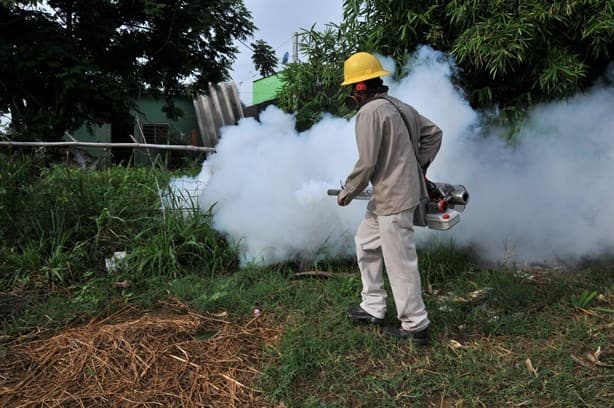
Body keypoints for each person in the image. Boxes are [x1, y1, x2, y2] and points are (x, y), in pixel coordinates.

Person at [336, 51, 442, 345]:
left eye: (351, 89)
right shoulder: (402, 106)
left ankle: (415, 326)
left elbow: (367, 162)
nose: (351, 95)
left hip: (395, 198)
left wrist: (348, 191)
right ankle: (373, 306)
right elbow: (434, 133)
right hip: (388, 195)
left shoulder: (369, 112)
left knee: (400, 261)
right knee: (365, 242)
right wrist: (418, 165)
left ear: (359, 88)